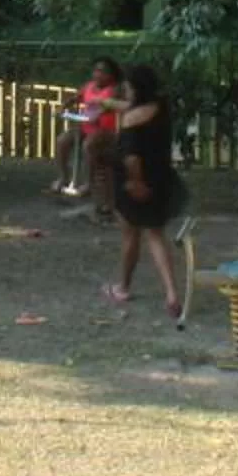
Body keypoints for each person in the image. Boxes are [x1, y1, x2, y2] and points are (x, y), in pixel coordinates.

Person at [103, 61, 186, 323]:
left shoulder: (130, 120)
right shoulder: (161, 107)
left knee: (130, 236)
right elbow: (129, 105)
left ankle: (123, 287)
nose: (124, 91)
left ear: (135, 89)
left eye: (127, 87)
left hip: (134, 183)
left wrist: (134, 182)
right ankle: (172, 293)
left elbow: (131, 158)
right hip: (160, 179)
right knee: (155, 235)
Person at [52, 58, 123, 203]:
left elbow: (107, 107)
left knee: (88, 146)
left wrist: (98, 113)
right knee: (62, 140)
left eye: (102, 72)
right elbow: (75, 98)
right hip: (86, 125)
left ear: (111, 75)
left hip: (106, 129)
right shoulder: (89, 86)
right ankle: (63, 177)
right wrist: (62, 107)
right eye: (96, 70)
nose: (97, 74)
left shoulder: (114, 90)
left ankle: (89, 184)